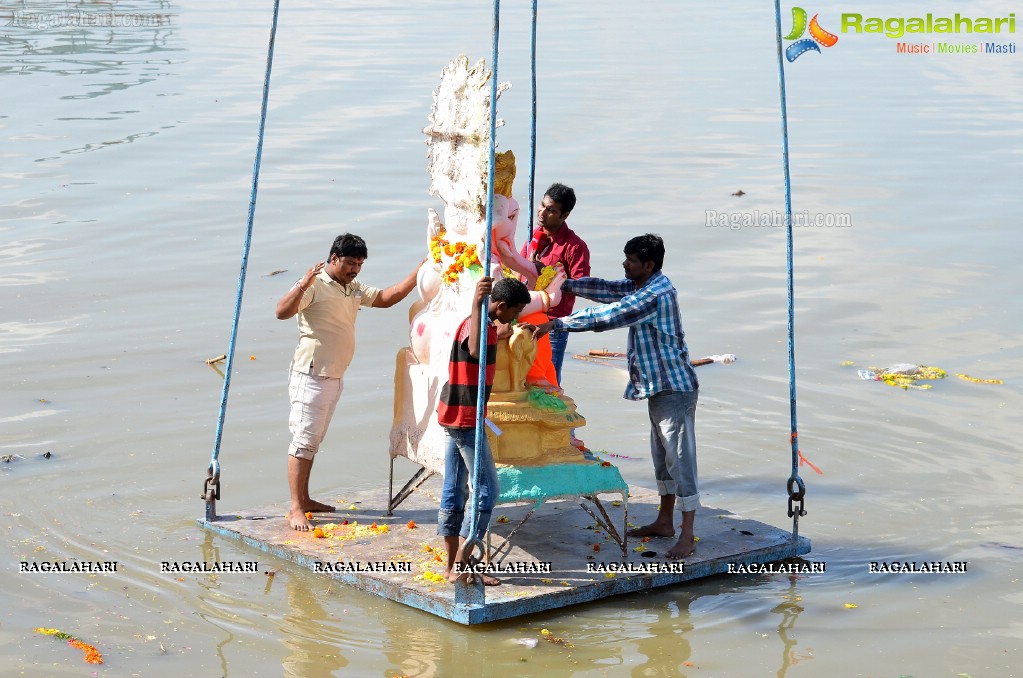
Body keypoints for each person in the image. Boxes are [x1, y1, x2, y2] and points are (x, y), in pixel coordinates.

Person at [533, 234, 700, 559]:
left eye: (631, 261)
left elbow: (609, 315)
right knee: (661, 458)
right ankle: (665, 522)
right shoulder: (642, 284)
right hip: (657, 387)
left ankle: (688, 534)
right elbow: (608, 291)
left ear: (648, 265)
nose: (624, 264)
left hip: (675, 389)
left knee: (680, 461)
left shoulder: (655, 294)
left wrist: (557, 324)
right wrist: (564, 285)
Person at [276, 233, 421, 531]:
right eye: (350, 263)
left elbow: (385, 298)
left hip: (335, 375)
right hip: (311, 375)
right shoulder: (314, 284)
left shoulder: (352, 287)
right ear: (333, 259)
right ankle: (295, 507)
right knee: (303, 441)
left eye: (360, 264)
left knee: (313, 441)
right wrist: (302, 284)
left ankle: (305, 499)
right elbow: (281, 312)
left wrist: (418, 273)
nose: (355, 269)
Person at [437, 276, 532, 585]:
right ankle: (465, 562)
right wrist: (477, 303)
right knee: (488, 489)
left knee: (455, 489)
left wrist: (496, 324)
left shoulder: (483, 325)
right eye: (514, 312)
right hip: (465, 417)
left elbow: (486, 335)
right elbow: (477, 351)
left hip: (452, 411)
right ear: (500, 306)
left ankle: (452, 563)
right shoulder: (478, 325)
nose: (516, 319)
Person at [521, 183, 590, 385]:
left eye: (551, 210)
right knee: (523, 376)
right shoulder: (533, 236)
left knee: (547, 378)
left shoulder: (575, 246)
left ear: (564, 215)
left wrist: (550, 276)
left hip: (552, 324)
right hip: (524, 315)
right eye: (542, 206)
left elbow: (582, 284)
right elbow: (520, 271)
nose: (542, 212)